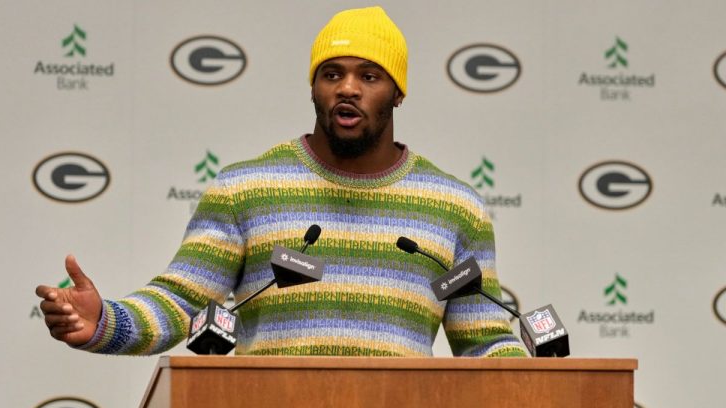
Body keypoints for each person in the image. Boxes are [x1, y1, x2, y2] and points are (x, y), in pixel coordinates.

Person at [36, 6, 527, 357]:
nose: (348, 88)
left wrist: (545, 383)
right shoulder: (246, 190)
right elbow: (180, 304)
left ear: (398, 93)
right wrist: (103, 320)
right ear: (314, 87)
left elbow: (483, 342)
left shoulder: (454, 207)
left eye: (370, 76)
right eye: (331, 74)